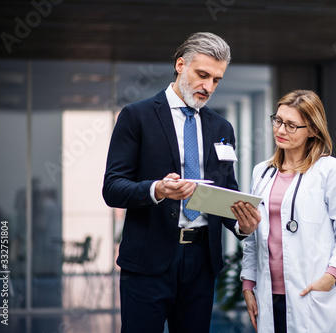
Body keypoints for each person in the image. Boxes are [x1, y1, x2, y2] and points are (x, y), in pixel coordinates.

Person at [102, 32, 261, 333]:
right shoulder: (137, 117)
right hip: (149, 261)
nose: (208, 87)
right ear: (180, 65)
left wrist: (242, 224)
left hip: (202, 263)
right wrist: (157, 190)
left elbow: (226, 190)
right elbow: (112, 187)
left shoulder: (221, 127)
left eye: (217, 80)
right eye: (203, 75)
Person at [236, 90, 336, 333]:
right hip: (268, 294)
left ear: (313, 130)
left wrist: (330, 277)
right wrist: (248, 284)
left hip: (311, 292)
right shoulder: (262, 172)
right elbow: (255, 238)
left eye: (292, 125)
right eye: (278, 120)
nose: (281, 130)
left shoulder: (331, 171)